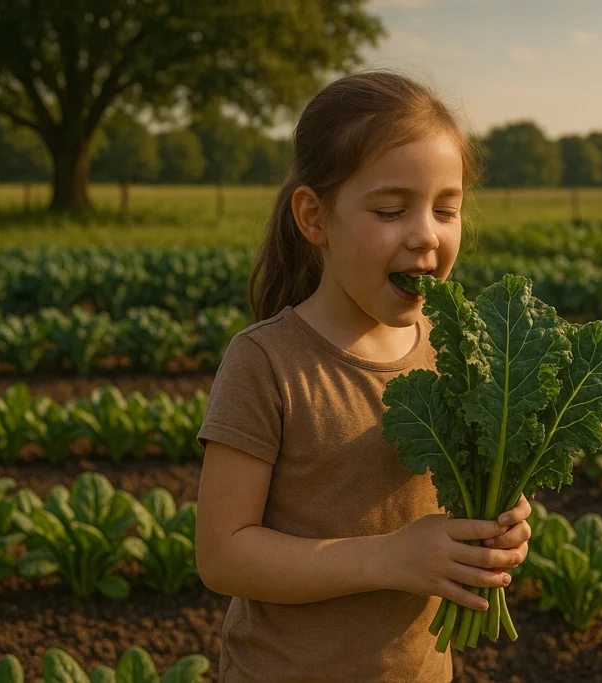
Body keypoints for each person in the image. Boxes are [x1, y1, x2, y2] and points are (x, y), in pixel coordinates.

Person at [194, 68, 533, 683]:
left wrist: (498, 526)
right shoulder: (267, 362)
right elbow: (223, 555)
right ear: (314, 218)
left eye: (446, 210)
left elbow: (451, 508)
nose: (426, 234)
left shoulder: (456, 351)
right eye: (390, 209)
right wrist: (390, 559)